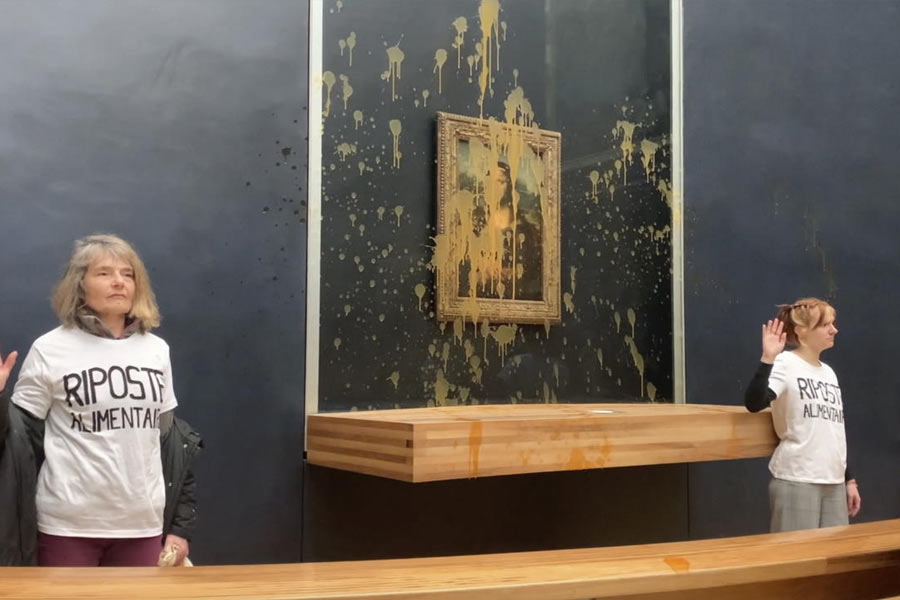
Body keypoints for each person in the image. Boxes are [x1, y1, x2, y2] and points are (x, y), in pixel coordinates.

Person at [2, 234, 201, 566]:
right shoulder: (50, 348)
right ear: (80, 285)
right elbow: (17, 442)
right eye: (104, 273)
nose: (119, 282)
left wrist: (180, 527)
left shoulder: (156, 350)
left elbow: (170, 445)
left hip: (142, 525)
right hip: (67, 525)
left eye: (128, 273)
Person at [744, 298, 861, 532]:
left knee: (835, 562)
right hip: (797, 479)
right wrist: (768, 358)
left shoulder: (829, 373)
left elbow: (831, 430)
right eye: (825, 325)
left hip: (834, 482)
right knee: (796, 560)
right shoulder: (786, 363)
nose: (834, 329)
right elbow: (754, 403)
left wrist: (849, 479)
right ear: (802, 331)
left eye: (833, 323)